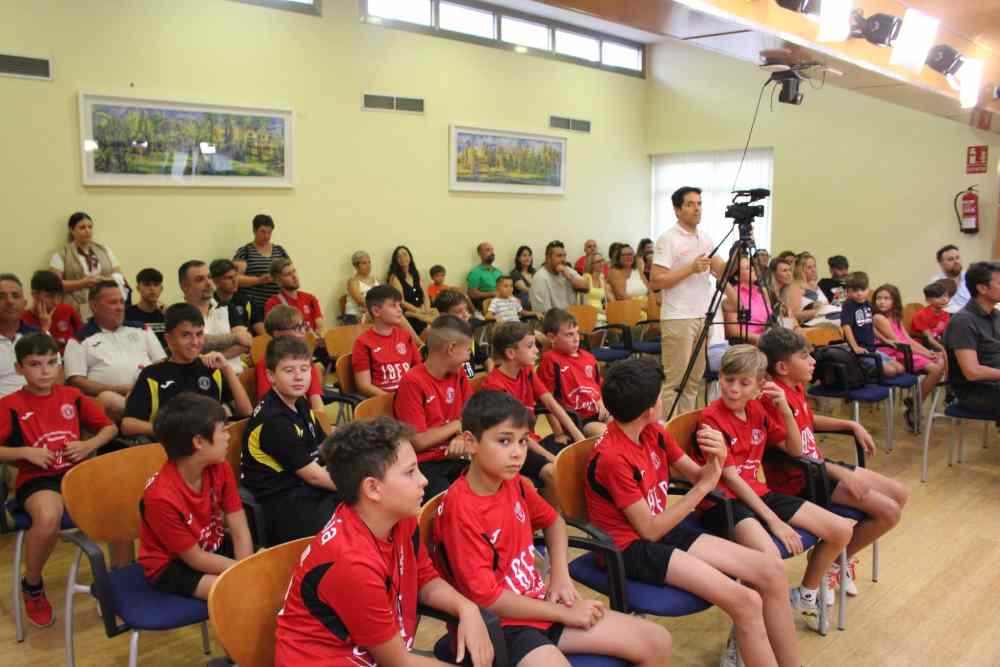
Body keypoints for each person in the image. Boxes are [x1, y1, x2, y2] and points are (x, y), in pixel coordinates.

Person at [432, 390, 672, 667]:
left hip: (538, 603)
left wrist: (560, 575)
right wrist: (564, 614)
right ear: (471, 443)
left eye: (523, 442)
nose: (517, 453)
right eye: (504, 441)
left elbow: (553, 521)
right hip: (501, 626)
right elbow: (488, 598)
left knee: (657, 641)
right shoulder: (460, 511)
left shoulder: (514, 483)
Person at [587, 358, 801, 667]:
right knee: (746, 601)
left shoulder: (652, 432)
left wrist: (718, 459)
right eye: (660, 395)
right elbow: (649, 530)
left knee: (772, 571)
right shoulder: (612, 457)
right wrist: (703, 487)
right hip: (629, 548)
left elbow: (699, 475)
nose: (663, 400)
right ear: (649, 408)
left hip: (659, 529)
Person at [274, 417, 493, 667]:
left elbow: (424, 578)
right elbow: (398, 663)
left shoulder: (399, 518)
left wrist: (466, 607)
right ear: (373, 489)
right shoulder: (351, 562)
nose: (424, 480)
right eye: (410, 472)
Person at [697, 345, 853, 631]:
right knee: (768, 562)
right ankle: (742, 638)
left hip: (757, 493)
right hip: (723, 503)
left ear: (759, 386)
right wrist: (774, 520)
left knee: (841, 529)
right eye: (728, 380)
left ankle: (806, 594)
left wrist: (784, 409)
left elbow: (795, 451)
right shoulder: (711, 418)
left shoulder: (758, 408)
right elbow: (730, 478)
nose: (733, 389)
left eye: (744, 383)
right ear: (719, 376)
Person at [759, 328, 908, 606]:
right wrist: (840, 473)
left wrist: (848, 424)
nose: (813, 360)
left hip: (820, 468)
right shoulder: (771, 398)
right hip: (801, 481)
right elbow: (794, 454)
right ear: (782, 367)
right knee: (888, 512)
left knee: (899, 493)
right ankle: (827, 565)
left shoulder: (795, 385)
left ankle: (835, 563)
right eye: (804, 356)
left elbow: (806, 419)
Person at [0, 333, 116, 626]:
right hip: (37, 479)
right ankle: (33, 585)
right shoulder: (10, 404)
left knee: (121, 503)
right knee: (49, 516)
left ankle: (117, 579)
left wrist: (89, 445)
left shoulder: (72, 396)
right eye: (35, 364)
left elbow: (109, 429)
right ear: (19, 368)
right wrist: (25, 451)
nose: (45, 371)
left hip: (76, 475)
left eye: (52, 362)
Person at [138, 393, 252, 600]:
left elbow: (237, 523)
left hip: (211, 546)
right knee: (240, 592)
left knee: (268, 576)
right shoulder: (160, 497)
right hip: (172, 565)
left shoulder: (220, 466)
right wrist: (242, 572)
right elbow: (194, 559)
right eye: (222, 431)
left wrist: (247, 566)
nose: (228, 436)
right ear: (199, 441)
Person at [242, 336, 340, 545]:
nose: (298, 377)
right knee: (359, 509)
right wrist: (356, 484)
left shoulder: (299, 402)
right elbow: (314, 477)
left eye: (304, 369)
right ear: (271, 376)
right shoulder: (274, 420)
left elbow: (325, 446)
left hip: (306, 488)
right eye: (289, 370)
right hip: (283, 502)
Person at [482, 322, 585, 493]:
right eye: (530, 346)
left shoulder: (527, 371)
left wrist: (579, 437)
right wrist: (552, 458)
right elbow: (516, 433)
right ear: (511, 353)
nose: (537, 350)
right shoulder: (495, 385)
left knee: (580, 453)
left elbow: (552, 404)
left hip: (531, 440)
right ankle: (553, 517)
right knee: (554, 471)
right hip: (513, 447)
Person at [121, 304, 252, 437]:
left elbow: (246, 412)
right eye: (186, 335)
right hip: (170, 450)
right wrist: (172, 433)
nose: (195, 342)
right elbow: (128, 425)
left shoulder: (211, 369)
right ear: (168, 339)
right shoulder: (153, 375)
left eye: (199, 334)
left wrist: (226, 368)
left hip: (210, 447)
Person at [649, 186, 726, 415]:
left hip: (702, 316)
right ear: (677, 209)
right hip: (678, 317)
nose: (696, 209)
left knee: (694, 381)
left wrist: (737, 256)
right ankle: (667, 431)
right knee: (676, 382)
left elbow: (722, 270)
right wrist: (690, 269)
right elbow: (656, 280)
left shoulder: (705, 238)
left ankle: (683, 428)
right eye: (690, 204)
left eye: (699, 203)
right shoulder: (668, 238)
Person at [393, 315, 474, 498]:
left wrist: (462, 436)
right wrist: (457, 425)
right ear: (451, 348)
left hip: (454, 457)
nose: (469, 356)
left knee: (494, 479)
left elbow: (472, 415)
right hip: (423, 465)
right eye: (467, 350)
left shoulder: (459, 374)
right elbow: (419, 442)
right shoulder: (413, 382)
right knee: (454, 502)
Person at [64, 280, 167, 421]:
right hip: (115, 400)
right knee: (108, 400)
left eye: (121, 302)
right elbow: (77, 382)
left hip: (152, 393)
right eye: (113, 303)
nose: (120, 308)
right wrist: (121, 389)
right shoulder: (79, 340)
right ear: (94, 306)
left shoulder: (142, 329)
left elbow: (162, 364)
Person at [872, 283, 945, 426]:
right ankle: (915, 404)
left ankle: (914, 401)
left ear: (895, 301)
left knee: (940, 360)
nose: (882, 301)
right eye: (879, 298)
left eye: (887, 298)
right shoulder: (878, 318)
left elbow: (909, 340)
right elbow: (899, 343)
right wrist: (927, 354)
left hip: (906, 350)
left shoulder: (896, 318)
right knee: (936, 369)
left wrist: (928, 352)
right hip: (894, 353)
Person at [537, 309, 607, 438]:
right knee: (606, 434)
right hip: (578, 420)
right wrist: (559, 433)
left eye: (577, 333)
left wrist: (601, 401)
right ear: (552, 337)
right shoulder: (550, 359)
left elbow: (597, 386)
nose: (576, 339)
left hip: (599, 411)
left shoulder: (589, 357)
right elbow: (547, 402)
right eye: (569, 334)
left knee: (628, 425)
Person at [943, 261, 1000, 416]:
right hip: (976, 391)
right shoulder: (963, 321)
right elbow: (972, 372)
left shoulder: (995, 315)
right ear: (982, 288)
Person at [179, 260, 251, 374]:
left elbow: (246, 343)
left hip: (236, 376)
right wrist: (234, 337)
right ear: (184, 286)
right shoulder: (179, 314)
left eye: (209, 277)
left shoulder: (227, 308)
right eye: (200, 279)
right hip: (201, 381)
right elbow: (196, 345)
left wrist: (216, 357)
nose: (208, 283)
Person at [49, 212, 125, 318]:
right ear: (72, 230)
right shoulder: (61, 254)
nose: (87, 231)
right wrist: (83, 283)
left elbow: (119, 276)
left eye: (90, 227)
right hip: (76, 307)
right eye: (82, 227)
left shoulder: (104, 250)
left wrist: (102, 279)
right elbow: (54, 286)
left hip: (106, 306)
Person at [352, 285, 423, 397]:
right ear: (376, 311)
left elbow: (419, 370)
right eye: (393, 305)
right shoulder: (363, 343)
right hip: (384, 402)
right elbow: (364, 386)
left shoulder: (405, 336)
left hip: (410, 396)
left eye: (399, 305)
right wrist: (393, 399)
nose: (400, 310)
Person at [256, 305, 327, 413]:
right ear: (277, 334)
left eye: (303, 326)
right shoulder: (265, 363)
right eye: (296, 328)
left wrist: (321, 421)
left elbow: (315, 397)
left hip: (304, 415)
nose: (303, 332)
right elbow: (268, 404)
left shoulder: (303, 358)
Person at [840, 272, 903, 378]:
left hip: (872, 350)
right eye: (855, 291)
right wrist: (855, 347)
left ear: (868, 289)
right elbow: (846, 327)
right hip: (861, 354)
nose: (859, 294)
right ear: (848, 291)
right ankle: (866, 376)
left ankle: (875, 375)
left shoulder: (868, 304)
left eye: (862, 290)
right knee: (891, 371)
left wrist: (885, 340)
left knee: (900, 369)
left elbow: (870, 326)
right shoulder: (849, 305)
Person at [233, 213, 290, 313]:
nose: (266, 236)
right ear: (254, 231)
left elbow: (290, 272)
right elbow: (234, 279)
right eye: (262, 232)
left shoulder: (280, 250)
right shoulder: (245, 251)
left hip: (278, 305)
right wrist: (258, 280)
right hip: (254, 306)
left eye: (269, 232)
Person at [433, 290, 491, 377]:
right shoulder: (440, 343)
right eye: (459, 312)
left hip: (470, 384)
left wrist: (491, 374)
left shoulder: (466, 336)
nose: (466, 315)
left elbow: (485, 359)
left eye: (466, 310)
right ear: (444, 316)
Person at [264, 258, 325, 339]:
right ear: (278, 281)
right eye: (288, 274)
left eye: (294, 271)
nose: (294, 276)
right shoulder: (273, 303)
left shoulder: (310, 298)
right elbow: (276, 335)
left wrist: (321, 333)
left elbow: (320, 325)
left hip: (315, 345)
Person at [21, 270, 81, 352]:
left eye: (59, 296)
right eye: (49, 296)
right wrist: (44, 327)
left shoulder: (67, 309)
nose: (55, 302)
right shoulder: (23, 319)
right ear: (34, 295)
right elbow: (33, 352)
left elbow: (83, 335)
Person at [722, 256, 773, 345]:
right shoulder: (733, 294)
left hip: (767, 337)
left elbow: (770, 318)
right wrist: (762, 339)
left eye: (751, 266)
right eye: (747, 268)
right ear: (736, 277)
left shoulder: (761, 291)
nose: (753, 269)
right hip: (746, 343)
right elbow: (732, 331)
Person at [0, 275, 37, 398]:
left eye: (15, 296)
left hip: (38, 406)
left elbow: (57, 374)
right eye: (1, 296)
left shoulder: (39, 336)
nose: (10, 301)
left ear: (24, 304)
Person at [388, 245, 436, 336]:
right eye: (399, 256)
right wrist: (418, 311)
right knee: (428, 329)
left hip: (422, 309)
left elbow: (425, 295)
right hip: (407, 313)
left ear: (410, 256)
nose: (402, 258)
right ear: (396, 260)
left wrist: (427, 310)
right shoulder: (394, 277)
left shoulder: (416, 273)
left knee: (439, 324)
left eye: (405, 255)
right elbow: (400, 301)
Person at [529, 241, 588, 314]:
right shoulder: (540, 278)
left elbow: (586, 288)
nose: (563, 259)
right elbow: (545, 313)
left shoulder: (566, 270)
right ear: (547, 258)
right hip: (554, 322)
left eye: (564, 256)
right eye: (559, 256)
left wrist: (569, 277)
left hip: (572, 319)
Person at [210, 259, 263, 337]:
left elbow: (261, 331)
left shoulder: (247, 301)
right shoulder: (209, 303)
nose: (235, 281)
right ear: (215, 281)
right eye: (229, 278)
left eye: (236, 276)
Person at [125, 268, 167, 346]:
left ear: (161, 289)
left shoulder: (167, 314)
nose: (152, 289)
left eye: (156, 285)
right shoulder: (127, 314)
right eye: (147, 284)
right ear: (138, 288)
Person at [786, 253, 831, 325]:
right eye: (809, 267)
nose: (813, 270)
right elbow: (793, 314)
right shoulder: (795, 287)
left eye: (814, 266)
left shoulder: (816, 286)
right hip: (809, 327)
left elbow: (827, 306)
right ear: (800, 270)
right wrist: (817, 312)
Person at [910, 281, 951, 354]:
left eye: (946, 295)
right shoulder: (921, 315)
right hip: (923, 346)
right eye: (938, 296)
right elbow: (929, 339)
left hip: (938, 342)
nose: (944, 299)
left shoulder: (946, 312)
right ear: (928, 300)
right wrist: (944, 349)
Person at [931, 244, 970, 314]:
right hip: (952, 319)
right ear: (941, 264)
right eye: (950, 259)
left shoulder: (970, 276)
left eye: (957, 258)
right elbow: (947, 308)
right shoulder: (935, 283)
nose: (956, 262)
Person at [344, 250, 380, 325]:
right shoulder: (353, 281)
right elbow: (360, 301)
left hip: (374, 313)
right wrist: (380, 309)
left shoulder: (375, 279)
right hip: (355, 317)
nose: (368, 265)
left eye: (369, 262)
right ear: (356, 266)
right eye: (364, 263)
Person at [467, 242, 504, 309]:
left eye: (492, 250)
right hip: (486, 303)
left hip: (502, 301)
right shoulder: (475, 272)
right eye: (487, 250)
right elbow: (471, 294)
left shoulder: (498, 272)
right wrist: (492, 293)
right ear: (480, 254)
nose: (492, 253)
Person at [511, 245, 536, 310]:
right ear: (518, 258)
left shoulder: (534, 271)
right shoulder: (515, 273)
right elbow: (525, 289)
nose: (528, 258)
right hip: (523, 305)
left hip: (535, 302)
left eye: (529, 255)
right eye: (524, 256)